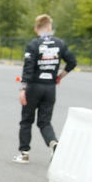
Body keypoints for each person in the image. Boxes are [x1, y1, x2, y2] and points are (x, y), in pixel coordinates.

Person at [13, 14, 76, 163]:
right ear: (50, 27)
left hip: (34, 86)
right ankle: (53, 143)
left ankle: (24, 153)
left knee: (26, 120)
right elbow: (72, 62)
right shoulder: (60, 43)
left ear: (37, 29)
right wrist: (60, 76)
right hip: (50, 88)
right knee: (45, 122)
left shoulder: (34, 44)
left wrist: (23, 89)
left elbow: (28, 68)